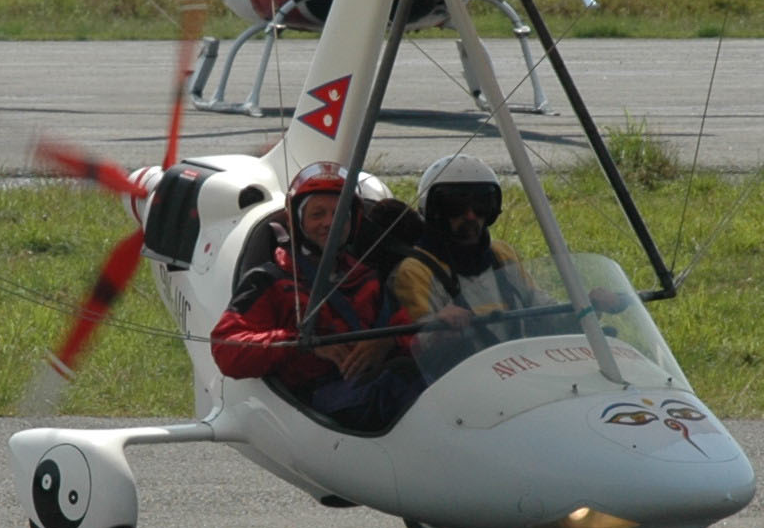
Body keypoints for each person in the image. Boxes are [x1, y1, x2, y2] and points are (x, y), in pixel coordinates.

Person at [209, 162, 425, 431]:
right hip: (314, 405)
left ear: (352, 221)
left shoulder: (367, 278)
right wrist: (301, 343)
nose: (329, 224)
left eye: (338, 214)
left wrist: (387, 342)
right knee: (400, 382)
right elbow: (226, 348)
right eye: (317, 215)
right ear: (298, 223)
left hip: (373, 390)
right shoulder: (270, 281)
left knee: (419, 376)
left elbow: (415, 330)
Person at [389, 154, 543, 371]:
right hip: (463, 377)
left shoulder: (502, 254)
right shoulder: (415, 270)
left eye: (481, 204)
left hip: (525, 368)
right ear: (434, 211)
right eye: (456, 206)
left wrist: (587, 305)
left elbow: (542, 306)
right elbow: (418, 344)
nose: (471, 216)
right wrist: (439, 326)